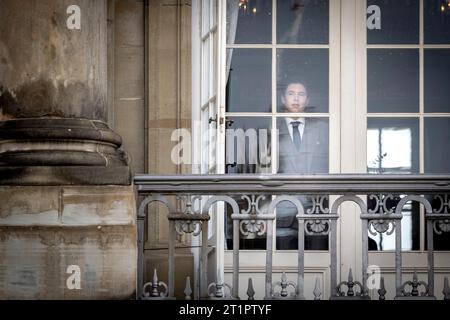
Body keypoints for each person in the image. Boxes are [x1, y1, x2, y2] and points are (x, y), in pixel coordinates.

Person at [276, 81, 329, 250]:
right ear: (283, 99)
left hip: (317, 207)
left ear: (307, 100)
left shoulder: (323, 129)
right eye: (291, 94)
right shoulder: (271, 128)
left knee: (319, 254)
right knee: (283, 259)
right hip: (283, 208)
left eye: (301, 94)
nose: (296, 99)